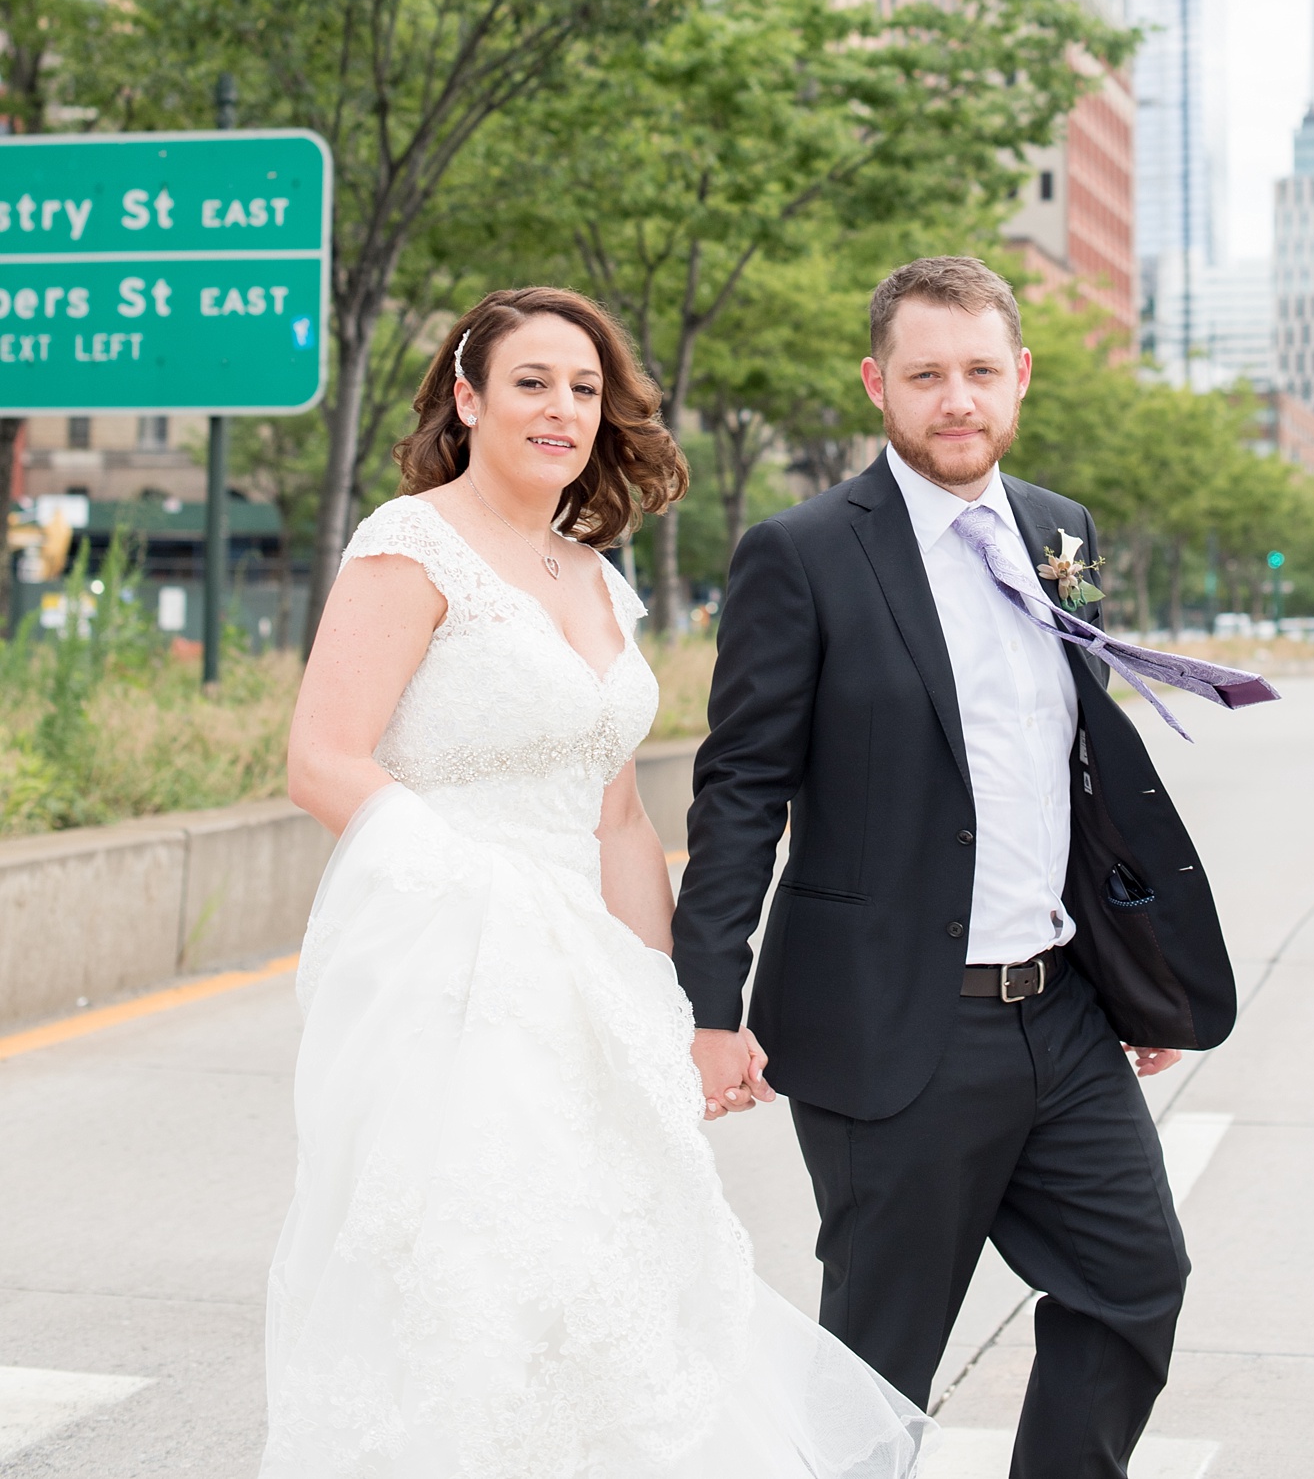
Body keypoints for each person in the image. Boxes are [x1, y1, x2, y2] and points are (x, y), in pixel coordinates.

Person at [263, 285, 926, 1479]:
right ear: (466, 398)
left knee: (615, 1262)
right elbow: (323, 759)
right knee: (474, 1262)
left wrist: (675, 1001)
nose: (561, 408)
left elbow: (616, 809)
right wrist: (483, 900)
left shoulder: (593, 574)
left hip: (585, 964)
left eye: (582, 387)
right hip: (442, 958)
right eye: (529, 381)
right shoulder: (409, 544)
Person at [672, 257, 1238, 1479]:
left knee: (1134, 1281)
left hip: (1064, 1012)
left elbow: (1075, 769)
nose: (955, 399)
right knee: (875, 1368)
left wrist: (1130, 970)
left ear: (1019, 376)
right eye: (925, 374)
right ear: (878, 384)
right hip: (892, 1027)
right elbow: (740, 786)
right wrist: (708, 1003)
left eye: (980, 371)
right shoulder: (803, 552)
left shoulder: (1058, 530)